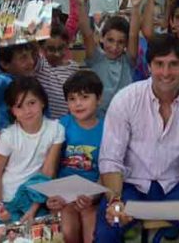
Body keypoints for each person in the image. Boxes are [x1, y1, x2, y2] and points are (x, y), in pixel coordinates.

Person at [95, 34, 179, 242]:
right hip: (130, 187)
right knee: (107, 230)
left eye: (173, 64)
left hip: (176, 187)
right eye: (159, 64)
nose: (165, 72)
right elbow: (111, 159)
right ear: (148, 67)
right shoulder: (125, 100)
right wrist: (115, 201)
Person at [0, 77, 64, 223]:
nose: (27, 111)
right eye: (19, 106)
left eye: (32, 103)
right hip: (8, 200)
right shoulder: (7, 136)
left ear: (42, 102)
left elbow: (48, 173)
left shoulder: (56, 129)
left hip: (38, 198)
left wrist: (33, 209)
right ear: (12, 111)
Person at [47, 70, 104, 243]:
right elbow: (50, 165)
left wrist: (93, 196)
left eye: (85, 97)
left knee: (92, 235)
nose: (78, 104)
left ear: (99, 98)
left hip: (92, 195)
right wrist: (51, 195)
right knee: (67, 231)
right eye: (72, 99)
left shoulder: (108, 129)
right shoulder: (60, 126)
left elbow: (108, 171)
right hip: (64, 195)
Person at [76, 0, 140, 113]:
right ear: (101, 38)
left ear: (126, 44)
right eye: (110, 40)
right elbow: (86, 33)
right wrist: (81, 4)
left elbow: (134, 34)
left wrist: (135, 6)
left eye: (120, 42)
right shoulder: (96, 58)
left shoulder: (127, 61)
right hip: (99, 117)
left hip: (124, 116)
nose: (114, 47)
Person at [0, 41, 37, 131]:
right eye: (23, 58)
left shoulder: (33, 83)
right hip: (9, 141)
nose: (31, 62)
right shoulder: (4, 85)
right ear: (5, 64)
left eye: (31, 56)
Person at [34, 23, 80, 120]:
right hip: (47, 126)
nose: (57, 54)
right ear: (41, 48)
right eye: (51, 49)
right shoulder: (41, 66)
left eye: (61, 48)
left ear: (67, 45)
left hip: (68, 123)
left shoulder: (74, 68)